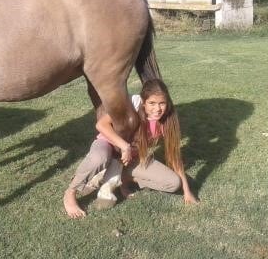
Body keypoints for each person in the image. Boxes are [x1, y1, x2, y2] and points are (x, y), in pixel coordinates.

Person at [63, 79, 198, 218]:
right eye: (152, 103)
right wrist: (124, 146)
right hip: (108, 145)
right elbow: (101, 124)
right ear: (143, 102)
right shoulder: (131, 106)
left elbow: (174, 156)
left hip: (131, 159)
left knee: (173, 183)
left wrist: (187, 191)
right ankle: (70, 192)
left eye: (162, 103)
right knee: (99, 158)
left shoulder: (168, 120)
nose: (157, 109)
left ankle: (123, 178)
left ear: (167, 102)